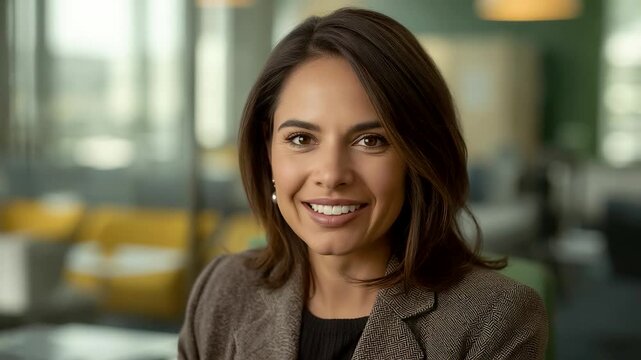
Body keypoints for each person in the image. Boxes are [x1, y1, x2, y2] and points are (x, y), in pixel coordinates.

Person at [178, 7, 548, 360]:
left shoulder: (494, 318)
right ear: (267, 151)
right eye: (301, 139)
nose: (332, 174)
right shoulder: (223, 289)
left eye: (371, 140)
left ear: (418, 155)